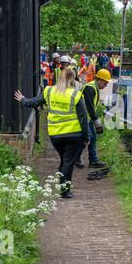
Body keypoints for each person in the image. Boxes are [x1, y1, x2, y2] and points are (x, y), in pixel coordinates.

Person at [14, 68, 89, 199]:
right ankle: (64, 191)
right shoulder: (76, 95)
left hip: (55, 135)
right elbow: (83, 118)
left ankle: (62, 187)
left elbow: (34, 102)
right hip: (73, 134)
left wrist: (23, 100)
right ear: (72, 79)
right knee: (68, 161)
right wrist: (86, 137)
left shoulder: (49, 91)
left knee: (64, 160)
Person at [75, 69, 112, 169]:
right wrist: (97, 121)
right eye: (105, 82)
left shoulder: (94, 88)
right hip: (83, 118)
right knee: (88, 138)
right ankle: (76, 157)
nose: (106, 85)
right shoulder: (90, 88)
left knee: (93, 137)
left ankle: (93, 161)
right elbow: (89, 106)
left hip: (88, 118)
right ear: (99, 80)